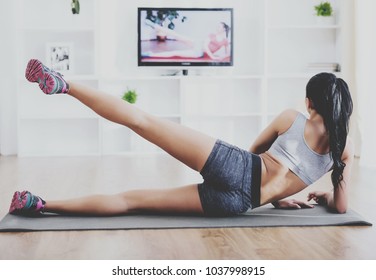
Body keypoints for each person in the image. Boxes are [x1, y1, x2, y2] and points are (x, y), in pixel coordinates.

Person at [9, 59, 354, 217]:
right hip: (239, 206)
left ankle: (64, 85)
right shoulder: (342, 151)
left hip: (237, 166)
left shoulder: (290, 118)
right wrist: (306, 196)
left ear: (310, 102)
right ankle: (40, 204)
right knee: (131, 202)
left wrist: (247, 173)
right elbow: (341, 207)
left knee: (143, 121)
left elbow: (253, 153)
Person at [142, 20, 231, 61]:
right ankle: (155, 25)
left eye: (219, 26)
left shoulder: (225, 41)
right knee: (176, 35)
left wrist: (222, 56)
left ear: (223, 29)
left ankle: (150, 54)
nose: (217, 27)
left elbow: (228, 53)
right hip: (198, 43)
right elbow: (205, 46)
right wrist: (213, 57)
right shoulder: (212, 35)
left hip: (198, 52)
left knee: (175, 53)